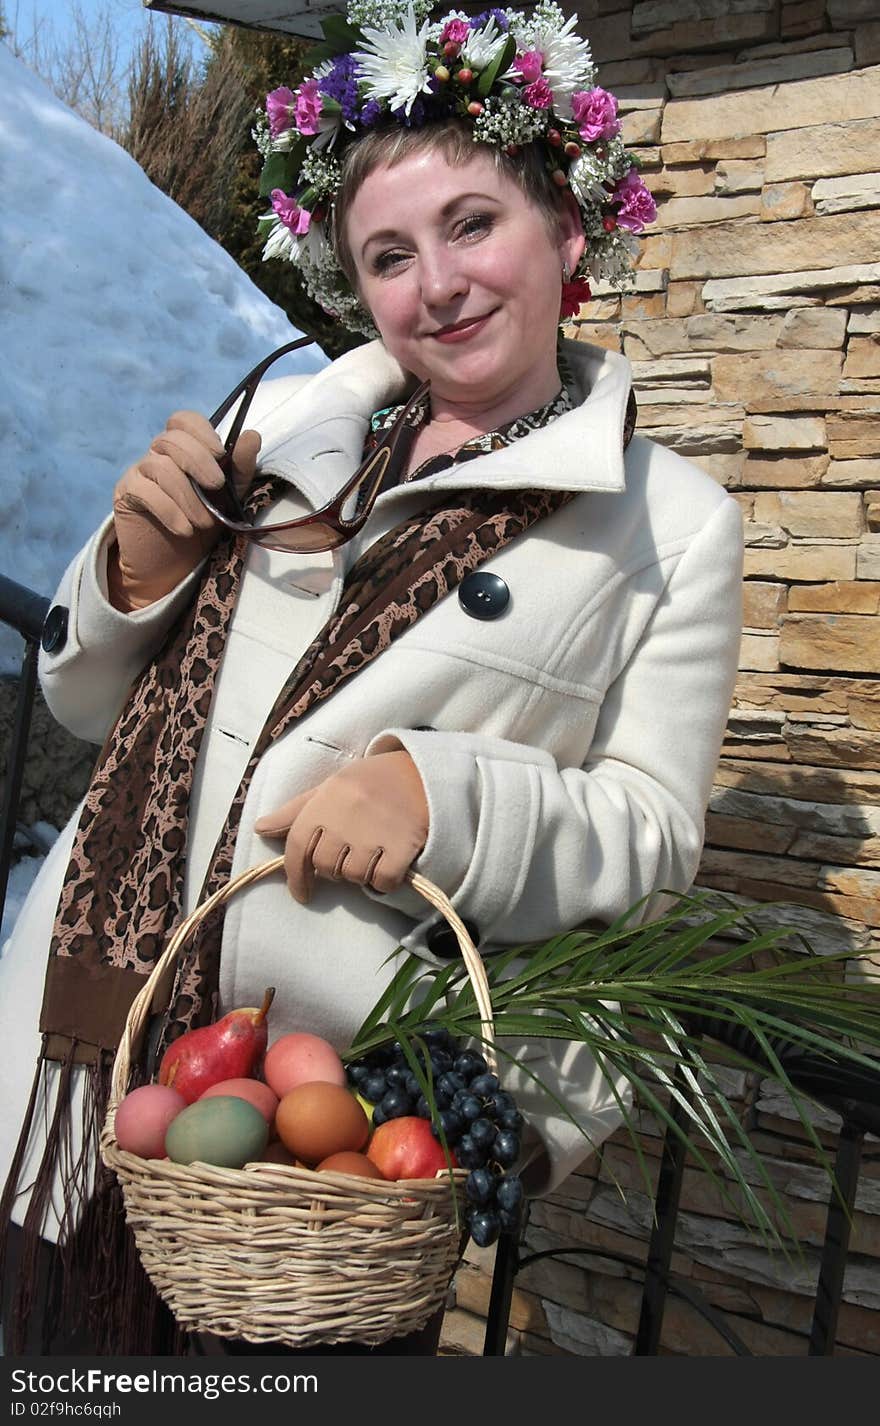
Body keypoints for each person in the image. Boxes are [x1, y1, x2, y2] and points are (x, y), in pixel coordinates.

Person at [0, 2, 743, 1357]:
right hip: (70, 1063)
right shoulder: (278, 429)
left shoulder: (671, 521)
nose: (435, 284)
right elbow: (92, 717)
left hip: (317, 1147)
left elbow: (653, 828)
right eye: (388, 254)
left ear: (567, 229)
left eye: (473, 225)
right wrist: (133, 573)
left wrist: (442, 796)